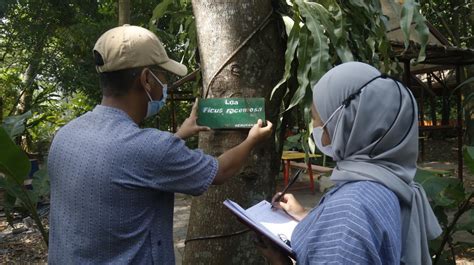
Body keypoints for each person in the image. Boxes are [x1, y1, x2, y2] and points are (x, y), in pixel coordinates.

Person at [47, 25, 273, 264]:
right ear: (146, 79)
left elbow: (126, 164)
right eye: (163, 75)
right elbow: (219, 171)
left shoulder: (65, 135)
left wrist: (180, 134)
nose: (165, 84)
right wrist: (252, 140)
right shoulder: (150, 147)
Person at [258, 62, 441, 265]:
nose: (316, 128)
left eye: (317, 119)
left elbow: (347, 232)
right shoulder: (386, 183)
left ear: (344, 123)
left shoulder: (350, 210)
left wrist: (279, 262)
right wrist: (305, 215)